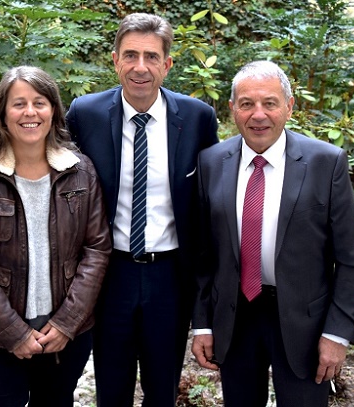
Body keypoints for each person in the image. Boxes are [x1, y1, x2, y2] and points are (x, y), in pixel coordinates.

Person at [191, 60, 354, 407]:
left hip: (305, 323)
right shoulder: (211, 162)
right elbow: (204, 256)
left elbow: (351, 261)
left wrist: (337, 334)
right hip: (235, 317)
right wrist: (202, 325)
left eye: (269, 103)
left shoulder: (325, 163)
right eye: (247, 104)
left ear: (288, 106)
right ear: (232, 109)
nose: (258, 114)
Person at [66, 12, 219, 406]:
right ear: (115, 59)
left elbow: (209, 200)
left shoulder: (198, 118)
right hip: (107, 271)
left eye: (152, 57)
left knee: (162, 385)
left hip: (170, 275)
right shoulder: (86, 114)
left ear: (167, 65)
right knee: (111, 385)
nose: (140, 67)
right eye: (130, 55)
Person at [0, 65, 111, 407]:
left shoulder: (80, 170)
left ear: (53, 110)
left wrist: (67, 322)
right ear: (2, 113)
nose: (30, 112)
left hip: (64, 338)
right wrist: (13, 331)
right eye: (18, 103)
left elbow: (97, 249)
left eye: (39, 102)